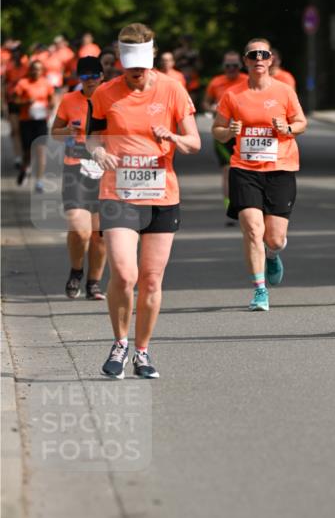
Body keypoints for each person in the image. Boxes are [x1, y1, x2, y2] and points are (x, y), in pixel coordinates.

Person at [88, 22, 200, 379]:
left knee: (151, 280)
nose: (136, 74)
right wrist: (98, 154)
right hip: (117, 192)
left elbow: (194, 142)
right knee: (124, 272)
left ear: (152, 57)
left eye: (142, 67)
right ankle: (120, 343)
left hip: (161, 194)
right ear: (120, 61)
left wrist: (173, 137)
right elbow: (91, 138)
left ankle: (142, 351)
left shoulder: (173, 90)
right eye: (130, 67)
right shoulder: (105, 94)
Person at [212, 37, 307, 311]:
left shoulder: (284, 91)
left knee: (274, 238)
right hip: (245, 169)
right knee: (253, 229)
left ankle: (273, 254)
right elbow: (217, 130)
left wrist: (287, 129)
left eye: (263, 54)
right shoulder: (233, 94)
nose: (258, 60)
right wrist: (228, 132)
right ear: (246, 61)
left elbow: (301, 122)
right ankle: (259, 290)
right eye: (252, 55)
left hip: (280, 168)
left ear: (270, 59)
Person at [51, 56, 107, 300]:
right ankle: (76, 271)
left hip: (105, 167)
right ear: (79, 79)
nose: (90, 81)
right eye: (85, 77)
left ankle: (93, 283)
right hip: (75, 167)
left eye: (94, 75)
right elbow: (54, 132)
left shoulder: (112, 99)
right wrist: (67, 131)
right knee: (79, 229)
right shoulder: (69, 100)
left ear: (102, 76)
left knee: (100, 233)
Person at [204, 51, 249, 220]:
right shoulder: (216, 82)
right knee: (228, 170)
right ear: (224, 67)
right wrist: (212, 108)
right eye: (228, 66)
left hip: (243, 134)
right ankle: (229, 206)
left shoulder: (247, 80)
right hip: (223, 134)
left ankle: (247, 203)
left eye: (235, 66)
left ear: (240, 66)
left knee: (245, 170)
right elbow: (205, 102)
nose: (231, 69)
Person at [14, 58, 54, 190]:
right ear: (30, 70)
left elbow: (51, 100)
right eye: (33, 69)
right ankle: (25, 168)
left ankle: (39, 181)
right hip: (26, 121)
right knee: (28, 152)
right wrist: (26, 103)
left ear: (42, 71)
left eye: (38, 69)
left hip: (41, 121)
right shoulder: (23, 83)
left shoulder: (46, 83)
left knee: (41, 151)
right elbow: (15, 101)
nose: (36, 71)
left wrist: (50, 106)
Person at [2, 42, 29, 168]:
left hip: (25, 103)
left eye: (18, 53)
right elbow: (3, 85)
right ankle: (18, 157)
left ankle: (25, 154)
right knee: (15, 130)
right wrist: (3, 104)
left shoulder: (27, 67)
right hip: (12, 101)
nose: (16, 55)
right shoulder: (8, 67)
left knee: (25, 131)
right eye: (14, 53)